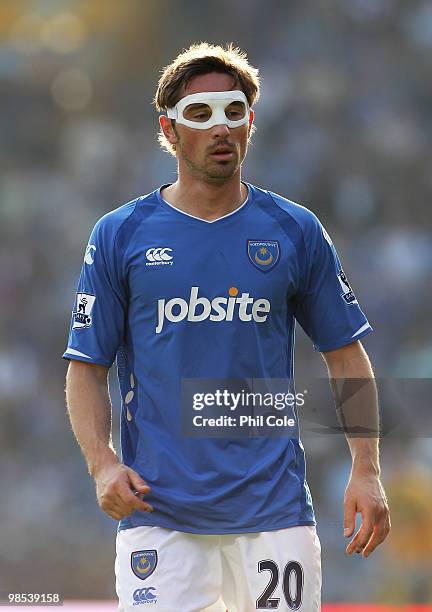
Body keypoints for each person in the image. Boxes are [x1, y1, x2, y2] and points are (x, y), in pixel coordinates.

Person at [64, 43, 391, 612]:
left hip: (274, 514)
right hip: (159, 515)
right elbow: (86, 367)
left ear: (250, 123)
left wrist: (367, 469)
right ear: (169, 130)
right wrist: (102, 464)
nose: (220, 129)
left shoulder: (295, 230)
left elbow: (345, 355)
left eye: (233, 112)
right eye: (200, 115)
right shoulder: (120, 235)